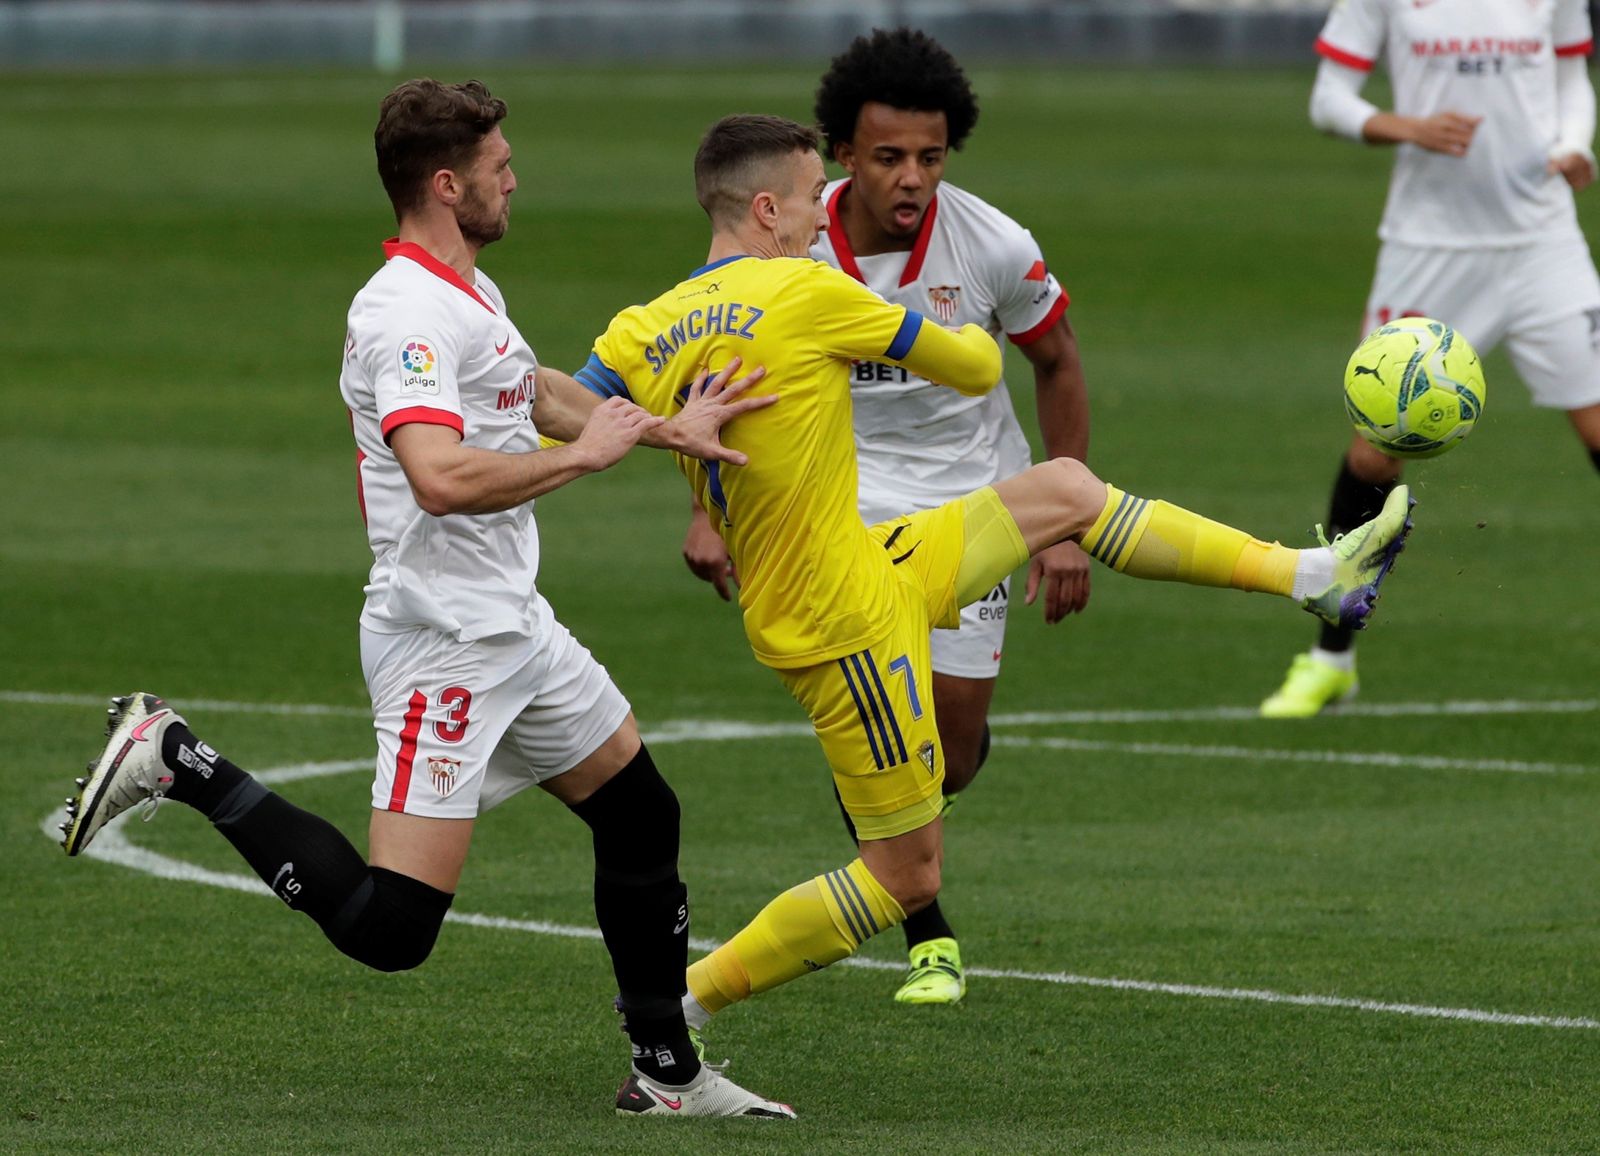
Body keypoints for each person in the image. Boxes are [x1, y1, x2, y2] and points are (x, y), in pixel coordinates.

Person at [574, 112, 1417, 1054]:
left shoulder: (645, 326)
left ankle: (1317, 576)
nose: (821, 218)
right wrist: (890, 325)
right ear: (767, 209)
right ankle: (676, 1007)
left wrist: (662, 428)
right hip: (841, 623)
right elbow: (976, 365)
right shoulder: (809, 290)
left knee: (1066, 490)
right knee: (904, 878)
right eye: (813, 199)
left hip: (874, 560)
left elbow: (558, 407)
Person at [58, 78, 794, 1122]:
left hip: (515, 626)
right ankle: (179, 760)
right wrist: (585, 458)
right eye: (500, 168)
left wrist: (660, 425)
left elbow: (535, 389)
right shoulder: (403, 312)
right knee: (391, 930)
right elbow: (438, 477)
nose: (515, 181)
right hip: (443, 642)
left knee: (640, 813)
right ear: (448, 185)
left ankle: (667, 1075)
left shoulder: (466, 292)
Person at [682, 28, 1091, 1007]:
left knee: (950, 754)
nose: (912, 178)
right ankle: (924, 922)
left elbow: (1057, 361)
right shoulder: (785, 243)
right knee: (877, 729)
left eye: (931, 157)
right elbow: (714, 381)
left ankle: (907, 837)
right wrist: (706, 511)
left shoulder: (993, 245)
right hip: (843, 511)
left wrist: (1067, 522)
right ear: (841, 153)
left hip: (971, 500)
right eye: (888, 156)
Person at [1262, 0, 1600, 717]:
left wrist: (1576, 144)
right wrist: (1406, 126)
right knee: (1374, 457)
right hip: (1428, 248)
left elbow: (1573, 77)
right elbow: (1328, 100)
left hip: (1543, 243)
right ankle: (1331, 660)